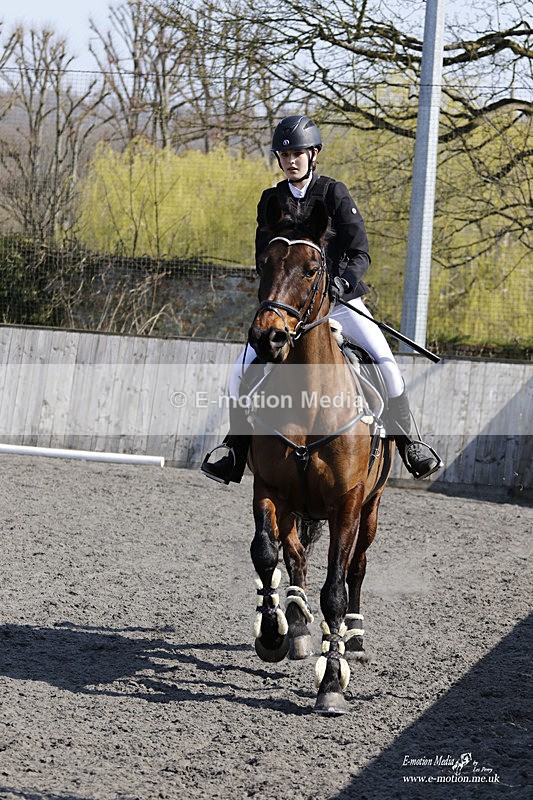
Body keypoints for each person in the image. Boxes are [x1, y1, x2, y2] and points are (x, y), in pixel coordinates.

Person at [201, 115, 442, 484]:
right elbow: (262, 256)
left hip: (340, 303)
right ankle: (233, 450)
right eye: (284, 155)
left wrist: (341, 285)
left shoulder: (334, 193)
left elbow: (359, 251)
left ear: (313, 154)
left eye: (298, 153)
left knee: (386, 364)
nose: (291, 160)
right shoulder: (272, 200)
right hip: (291, 307)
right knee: (239, 374)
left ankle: (410, 444)